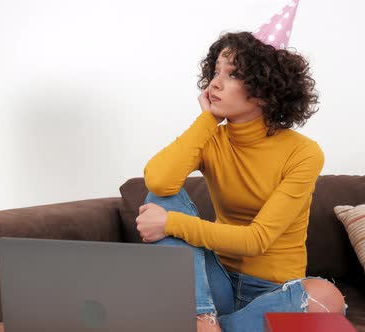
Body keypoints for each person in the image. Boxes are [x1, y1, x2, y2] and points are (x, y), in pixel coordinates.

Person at [135, 31, 346, 332]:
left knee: (326, 297)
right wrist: (208, 120)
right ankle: (203, 320)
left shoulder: (303, 152)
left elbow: (256, 240)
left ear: (263, 90)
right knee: (163, 198)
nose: (215, 83)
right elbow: (158, 181)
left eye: (232, 74)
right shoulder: (211, 140)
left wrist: (171, 224)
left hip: (271, 292)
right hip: (214, 286)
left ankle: (210, 326)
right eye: (215, 72)